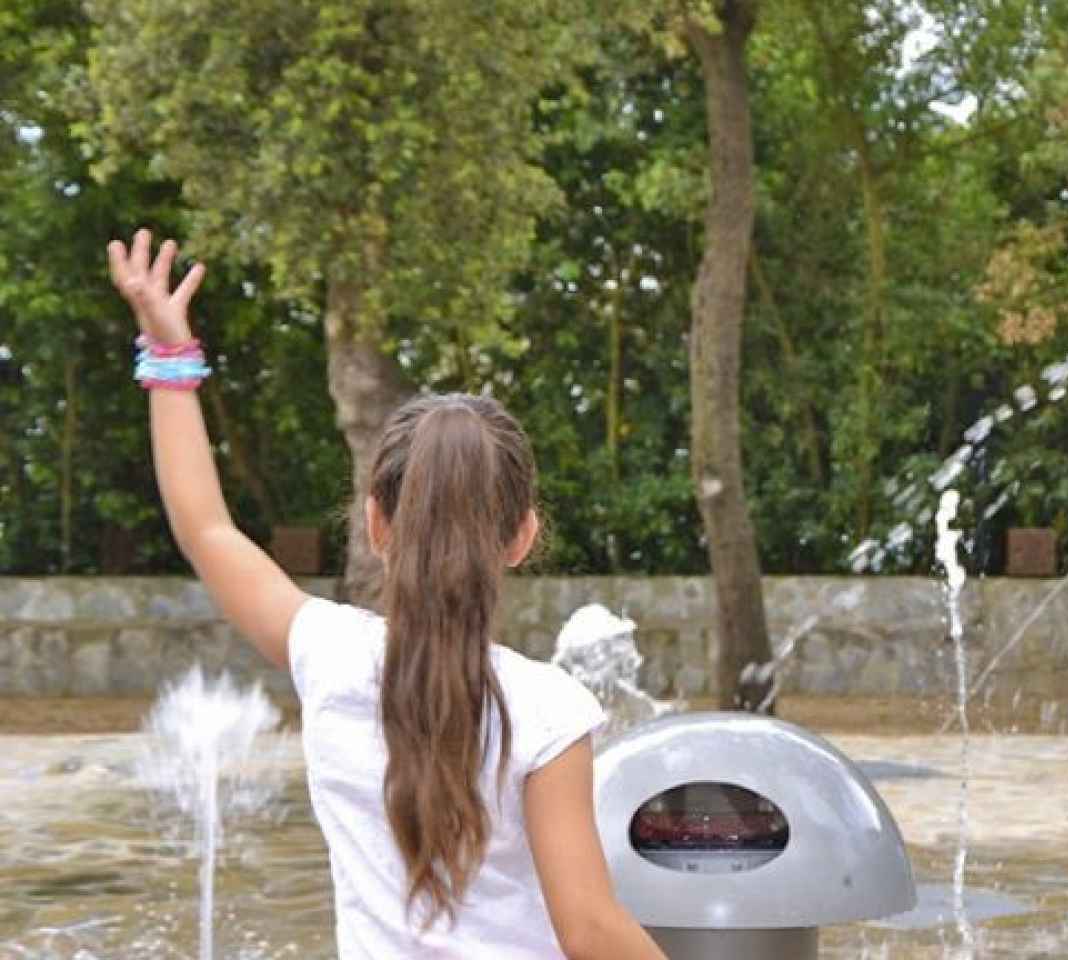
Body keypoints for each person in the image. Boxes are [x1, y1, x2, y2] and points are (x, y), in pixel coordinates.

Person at [107, 229, 666, 960]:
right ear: (523, 536)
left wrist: (169, 357)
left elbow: (207, 528)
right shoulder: (549, 707)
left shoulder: (328, 655)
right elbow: (590, 930)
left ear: (376, 523)